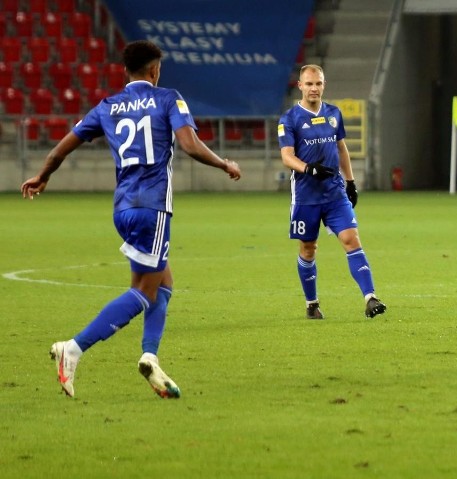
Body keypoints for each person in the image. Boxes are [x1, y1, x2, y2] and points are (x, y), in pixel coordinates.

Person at [21, 40, 242, 398]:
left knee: (164, 283)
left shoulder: (108, 106)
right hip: (152, 208)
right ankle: (73, 348)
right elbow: (188, 144)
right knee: (144, 290)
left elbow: (63, 145)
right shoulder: (168, 97)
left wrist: (43, 175)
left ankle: (150, 357)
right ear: (155, 70)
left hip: (122, 208)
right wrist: (224, 163)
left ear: (126, 71)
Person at [278, 64, 386, 320]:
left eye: (318, 83)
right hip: (306, 196)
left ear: (323, 85)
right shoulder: (290, 119)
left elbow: (341, 149)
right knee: (308, 249)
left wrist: (350, 182)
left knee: (352, 240)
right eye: (309, 84)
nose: (314, 88)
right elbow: (286, 157)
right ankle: (312, 303)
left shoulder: (333, 114)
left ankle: (370, 298)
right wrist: (309, 169)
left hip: (335, 193)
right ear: (300, 86)